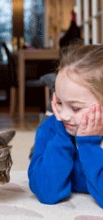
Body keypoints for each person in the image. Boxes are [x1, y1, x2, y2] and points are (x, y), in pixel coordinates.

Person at [28, 44, 103, 208]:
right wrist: (61, 135)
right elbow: (46, 192)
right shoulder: (51, 128)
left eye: (75, 108)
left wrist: (88, 144)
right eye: (60, 102)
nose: (64, 115)